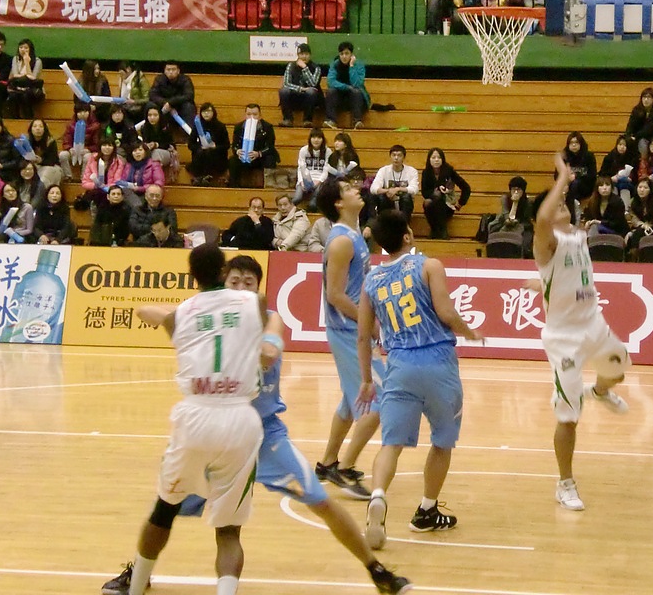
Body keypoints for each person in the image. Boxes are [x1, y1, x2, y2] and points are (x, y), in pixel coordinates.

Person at [102, 254, 412, 595]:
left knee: (319, 500)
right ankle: (138, 572)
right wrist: (175, 317)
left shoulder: (266, 317)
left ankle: (377, 571)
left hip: (263, 433)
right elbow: (147, 311)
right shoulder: (208, 314)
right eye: (234, 281)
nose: (241, 288)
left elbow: (269, 352)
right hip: (221, 429)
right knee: (166, 508)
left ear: (259, 288)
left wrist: (253, 346)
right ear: (224, 282)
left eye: (248, 283)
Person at [110, 243, 265, 595]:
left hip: (195, 416)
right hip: (240, 417)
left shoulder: (179, 315)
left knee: (164, 510)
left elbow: (154, 316)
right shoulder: (254, 303)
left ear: (192, 276)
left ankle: (135, 587)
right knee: (229, 531)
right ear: (224, 272)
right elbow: (264, 327)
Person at [358, 209, 483, 548]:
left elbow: (364, 336)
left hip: (399, 365)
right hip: (438, 362)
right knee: (442, 441)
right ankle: (427, 510)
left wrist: (367, 379)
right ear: (408, 235)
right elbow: (446, 312)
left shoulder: (371, 280)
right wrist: (469, 332)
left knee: (391, 444)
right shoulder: (429, 265)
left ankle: (378, 495)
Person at [531, 153, 631, 511]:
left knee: (619, 369)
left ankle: (600, 392)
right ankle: (565, 483)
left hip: (594, 322)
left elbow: (562, 274)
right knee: (569, 417)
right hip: (565, 340)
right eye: (558, 204)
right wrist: (562, 175)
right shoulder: (546, 240)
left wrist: (540, 283)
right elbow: (545, 219)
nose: (563, 206)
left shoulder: (577, 233)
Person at [313, 178, 386, 499]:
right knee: (378, 401)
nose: (357, 189)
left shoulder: (353, 234)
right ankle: (345, 469)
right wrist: (368, 322)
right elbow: (335, 294)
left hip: (353, 327)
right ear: (338, 203)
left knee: (351, 399)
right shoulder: (341, 241)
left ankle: (328, 463)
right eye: (348, 189)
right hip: (347, 330)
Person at [420, 148, 470, 240]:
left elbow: (466, 187)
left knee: (439, 199)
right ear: (429, 159)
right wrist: (435, 192)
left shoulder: (449, 171)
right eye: (433, 157)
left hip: (447, 205)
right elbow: (424, 192)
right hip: (432, 204)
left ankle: (442, 229)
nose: (436, 160)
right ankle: (434, 229)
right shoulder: (426, 173)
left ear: (442, 159)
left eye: (439, 157)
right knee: (428, 202)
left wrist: (461, 203)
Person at [229, 104, 280, 189]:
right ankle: (234, 187)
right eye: (249, 114)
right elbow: (234, 145)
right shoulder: (239, 127)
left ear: (260, 116)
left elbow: (270, 146)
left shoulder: (267, 127)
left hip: (260, 157)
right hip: (245, 156)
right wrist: (238, 151)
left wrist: (258, 153)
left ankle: (268, 186)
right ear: (245, 115)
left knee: (270, 159)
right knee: (232, 161)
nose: (251, 117)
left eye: (255, 114)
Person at [324, 42, 370, 130]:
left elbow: (357, 83)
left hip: (356, 99)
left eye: (347, 53)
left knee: (356, 91)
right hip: (340, 98)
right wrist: (346, 87)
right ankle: (331, 121)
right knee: (331, 91)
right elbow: (331, 82)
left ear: (351, 55)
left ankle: (357, 121)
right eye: (342, 54)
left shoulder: (359, 65)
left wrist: (351, 66)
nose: (344, 56)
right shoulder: (335, 65)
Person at [279, 43, 323, 127]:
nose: (304, 56)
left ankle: (307, 120)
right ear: (298, 55)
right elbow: (286, 83)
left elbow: (313, 84)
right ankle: (288, 119)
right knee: (283, 91)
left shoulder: (316, 68)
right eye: (301, 54)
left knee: (311, 91)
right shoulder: (291, 66)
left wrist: (305, 68)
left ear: (310, 55)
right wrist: (301, 89)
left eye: (306, 54)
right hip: (294, 96)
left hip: (310, 99)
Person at [187, 103, 230, 187]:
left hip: (217, 157)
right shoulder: (197, 126)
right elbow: (190, 144)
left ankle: (205, 177)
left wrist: (215, 147)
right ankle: (201, 177)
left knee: (209, 152)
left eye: (209, 111)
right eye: (204, 111)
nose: (206, 113)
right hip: (201, 154)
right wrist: (199, 147)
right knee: (201, 152)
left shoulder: (220, 126)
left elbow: (226, 145)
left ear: (213, 113)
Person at [371, 145, 419, 222]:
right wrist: (388, 191)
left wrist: (398, 189)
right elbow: (373, 188)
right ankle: (384, 223)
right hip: (388, 200)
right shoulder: (383, 170)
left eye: (399, 155)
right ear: (390, 156)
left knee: (406, 197)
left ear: (404, 157)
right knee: (381, 197)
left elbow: (414, 189)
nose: (396, 158)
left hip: (404, 202)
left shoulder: (412, 171)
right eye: (394, 155)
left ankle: (405, 225)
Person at [149, 62, 197, 133]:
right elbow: (152, 94)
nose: (171, 72)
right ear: (164, 71)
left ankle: (189, 134)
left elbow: (189, 95)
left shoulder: (185, 79)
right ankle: (152, 132)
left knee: (189, 106)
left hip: (180, 107)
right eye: (168, 70)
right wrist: (164, 103)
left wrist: (171, 103)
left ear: (178, 71)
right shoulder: (159, 79)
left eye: (173, 69)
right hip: (163, 107)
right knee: (150, 105)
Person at [293, 127, 331, 208]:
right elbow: (300, 168)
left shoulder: (328, 151)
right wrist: (302, 182)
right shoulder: (304, 150)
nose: (316, 140)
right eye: (313, 137)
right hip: (305, 180)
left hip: (320, 181)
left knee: (313, 204)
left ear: (322, 139)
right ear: (310, 139)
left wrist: (318, 182)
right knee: (296, 199)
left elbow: (326, 170)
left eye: (319, 138)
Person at [7, 38, 44, 119]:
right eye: (21, 47)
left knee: (25, 96)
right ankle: (15, 119)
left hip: (33, 89)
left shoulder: (37, 61)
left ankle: (28, 118)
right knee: (13, 96)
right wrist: (25, 76)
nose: (23, 50)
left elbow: (32, 78)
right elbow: (15, 75)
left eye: (26, 48)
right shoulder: (15, 59)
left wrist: (27, 62)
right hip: (18, 88)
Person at [625, 87, 653, 157]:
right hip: (637, 138)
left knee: (643, 143)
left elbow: (649, 130)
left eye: (649, 97)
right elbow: (630, 126)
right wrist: (628, 137)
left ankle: (644, 162)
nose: (646, 100)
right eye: (644, 97)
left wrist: (635, 136)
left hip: (651, 138)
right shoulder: (636, 110)